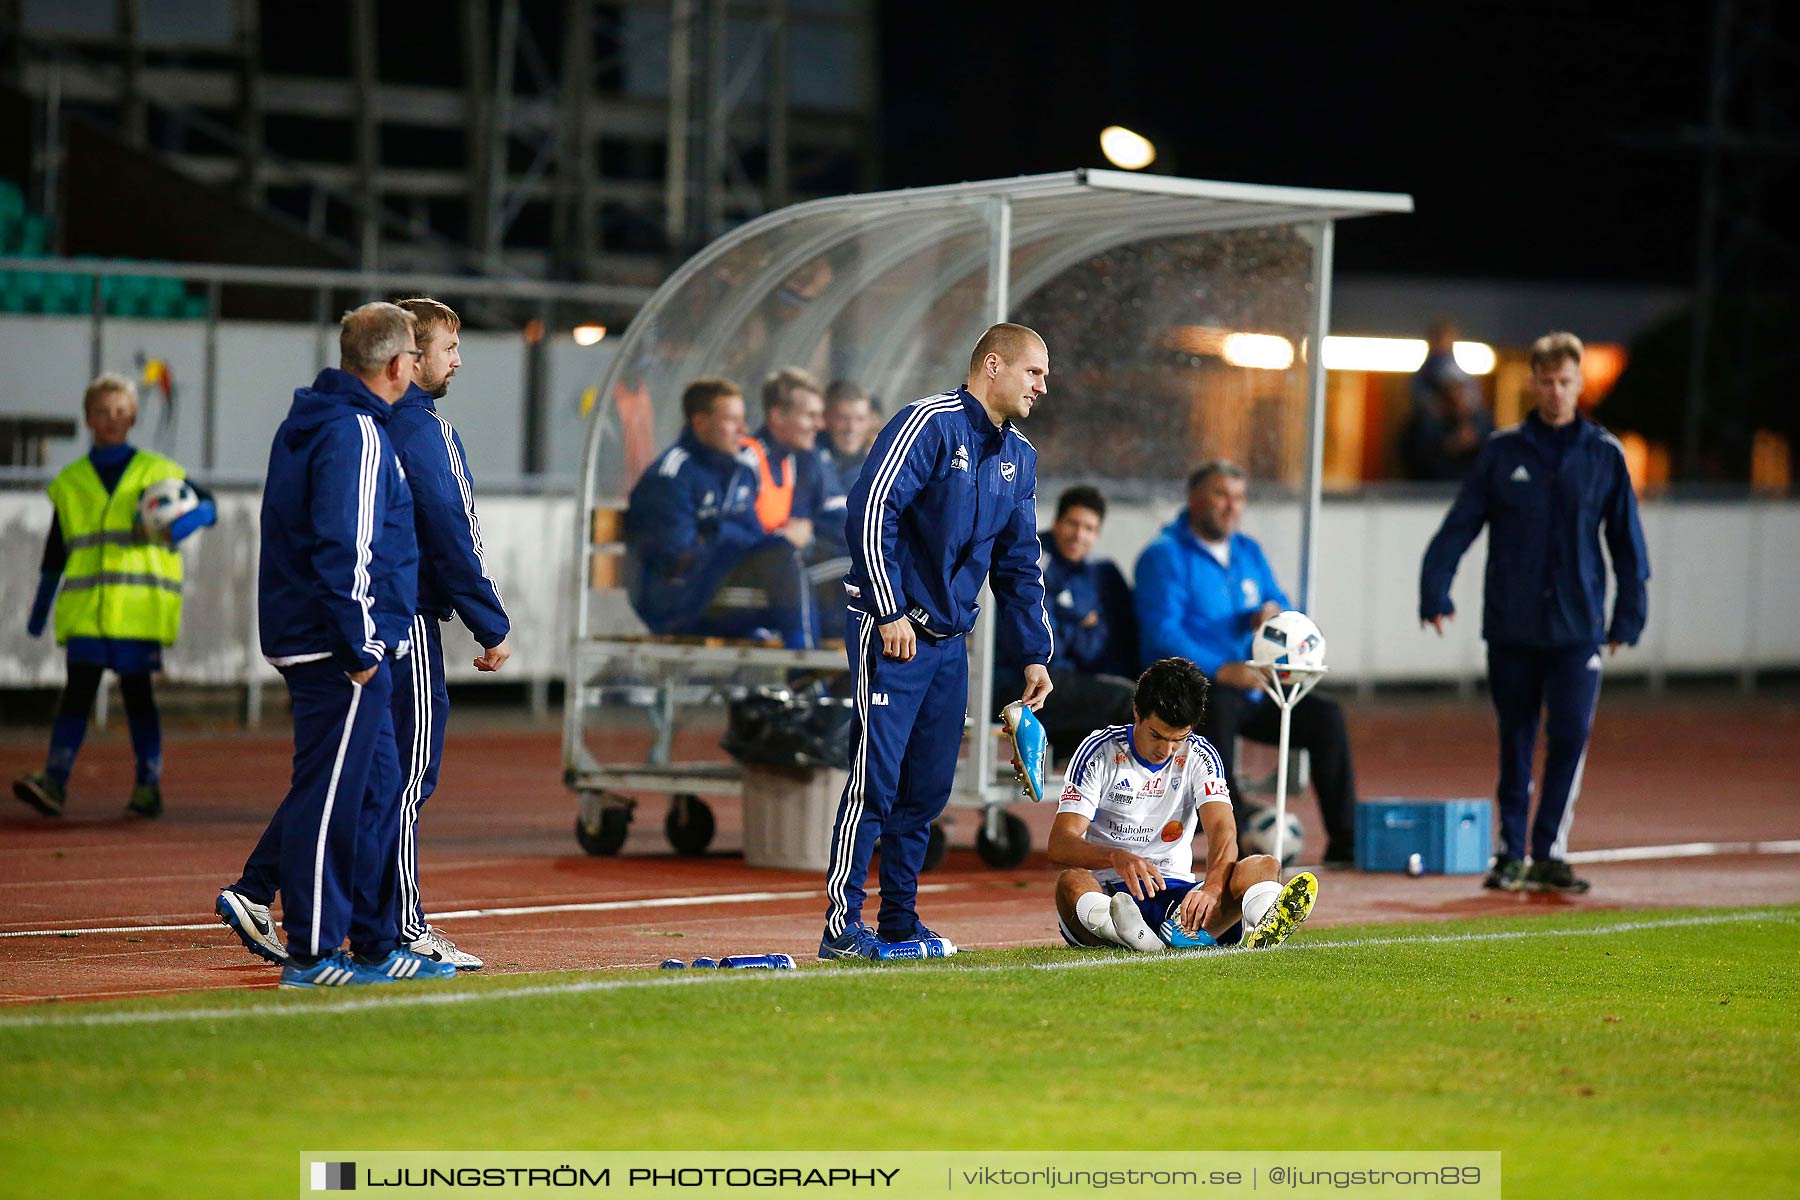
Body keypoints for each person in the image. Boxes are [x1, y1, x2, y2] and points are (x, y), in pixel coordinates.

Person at [215, 298, 511, 974]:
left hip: (349, 632)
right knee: (384, 782)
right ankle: (354, 941)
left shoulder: (332, 423)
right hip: (368, 634)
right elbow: (369, 542)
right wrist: (372, 643)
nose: (455, 360)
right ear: (401, 362)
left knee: (358, 780)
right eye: (444, 348)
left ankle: (321, 918)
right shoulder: (371, 431)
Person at [819, 322, 1055, 960]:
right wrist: (888, 608)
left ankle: (897, 921)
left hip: (951, 643)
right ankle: (841, 929)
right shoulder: (926, 423)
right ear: (993, 364)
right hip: (889, 631)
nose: (1042, 385)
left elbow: (1020, 562)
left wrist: (1035, 651)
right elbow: (871, 510)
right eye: (1034, 372)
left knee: (925, 791)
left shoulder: (1021, 458)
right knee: (876, 778)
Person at [1419, 331, 1649, 895]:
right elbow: (1460, 525)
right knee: (1515, 738)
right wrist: (1435, 588)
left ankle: (1548, 850)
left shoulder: (1603, 454)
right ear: (1532, 383)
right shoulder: (1501, 452)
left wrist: (1629, 617)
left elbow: (1627, 543)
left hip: (1578, 627)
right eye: (1545, 381)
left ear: (1578, 384)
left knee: (1569, 735)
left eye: (1565, 381)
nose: (1555, 391)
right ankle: (1510, 853)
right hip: (1512, 624)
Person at [1133, 460, 1358, 866]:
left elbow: (1286, 609)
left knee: (1327, 717)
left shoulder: (1247, 550)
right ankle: (1231, 832)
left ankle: (1348, 840)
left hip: (1254, 690)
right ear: (1194, 498)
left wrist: (1272, 615)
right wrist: (1221, 668)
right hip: (1203, 691)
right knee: (1214, 706)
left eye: (1238, 498)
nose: (1231, 507)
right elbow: (1161, 635)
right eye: (1221, 495)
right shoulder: (1163, 556)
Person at [12, 373, 216, 819]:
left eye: (121, 411)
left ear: (134, 417)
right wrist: (41, 607)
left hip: (139, 613)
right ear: (88, 418)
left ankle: (148, 787)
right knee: (77, 696)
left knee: (138, 698)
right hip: (87, 612)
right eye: (103, 412)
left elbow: (209, 506)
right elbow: (55, 551)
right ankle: (54, 782)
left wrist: (187, 521)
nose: (112, 419)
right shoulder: (71, 482)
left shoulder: (158, 471)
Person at [1049, 657, 1318, 952]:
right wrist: (1116, 857)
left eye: (1178, 739)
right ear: (1137, 712)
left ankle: (1260, 925)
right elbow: (1061, 842)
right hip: (1109, 890)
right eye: (1157, 736)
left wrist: (1213, 889)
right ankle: (1125, 930)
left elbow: (1223, 830)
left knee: (1264, 865)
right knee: (1071, 883)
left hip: (1178, 899)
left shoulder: (1201, 755)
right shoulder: (1099, 751)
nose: (1165, 751)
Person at [624, 378, 813, 648]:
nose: (743, 429)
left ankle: (831, 670)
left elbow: (751, 535)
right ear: (701, 423)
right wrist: (728, 534)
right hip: (675, 606)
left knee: (829, 577)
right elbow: (677, 557)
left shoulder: (740, 472)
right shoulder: (670, 476)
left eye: (743, 419)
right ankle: (804, 659)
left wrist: (718, 531)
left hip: (720, 593)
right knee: (781, 553)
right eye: (732, 420)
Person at [995, 485, 1137, 759]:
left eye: (1089, 528)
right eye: (1073, 523)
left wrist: (1071, 629)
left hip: (1071, 680)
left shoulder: (1099, 572)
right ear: (1057, 522)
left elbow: (1109, 646)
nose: (1079, 535)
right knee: (1133, 701)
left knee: (1142, 694)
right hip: (1024, 682)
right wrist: (1081, 628)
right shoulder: (1031, 561)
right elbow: (1045, 646)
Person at [810, 380, 877, 641]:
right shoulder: (809, 457)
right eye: (843, 418)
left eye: (859, 419)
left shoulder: (875, 465)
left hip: (851, 563)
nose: (851, 428)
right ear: (826, 418)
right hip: (820, 562)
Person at [743, 366, 827, 548]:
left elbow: (802, 528)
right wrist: (784, 537)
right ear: (777, 415)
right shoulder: (747, 461)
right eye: (810, 416)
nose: (820, 425)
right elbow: (743, 539)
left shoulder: (790, 461)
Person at [1401, 320, 1493, 481]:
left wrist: (1472, 436)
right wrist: (1449, 445)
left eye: (1459, 388)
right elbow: (1418, 458)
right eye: (1448, 389)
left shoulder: (1480, 422)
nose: (1455, 394)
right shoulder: (1427, 423)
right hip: (1431, 489)